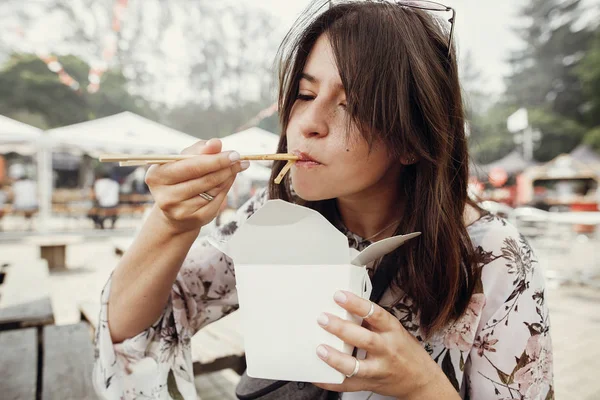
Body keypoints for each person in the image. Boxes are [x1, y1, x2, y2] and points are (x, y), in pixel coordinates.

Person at [93, 1, 553, 399]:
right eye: (305, 93)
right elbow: (130, 328)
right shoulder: (278, 219)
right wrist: (171, 224)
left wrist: (421, 386)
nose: (309, 123)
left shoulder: (494, 258)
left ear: (412, 140)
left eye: (351, 104)